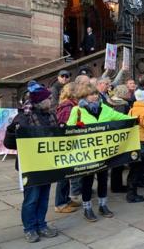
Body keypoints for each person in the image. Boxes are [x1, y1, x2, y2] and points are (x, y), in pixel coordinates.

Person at [67, 84, 133, 222]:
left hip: (104, 153)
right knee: (88, 181)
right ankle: (87, 208)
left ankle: (103, 205)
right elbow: (69, 130)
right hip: (87, 154)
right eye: (91, 94)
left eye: (96, 94)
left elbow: (121, 117)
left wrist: (136, 118)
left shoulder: (105, 109)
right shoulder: (77, 110)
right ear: (84, 96)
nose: (95, 96)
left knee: (103, 179)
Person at [11, 84, 59, 242]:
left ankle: (41, 224)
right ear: (40, 101)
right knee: (32, 198)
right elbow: (10, 142)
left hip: (47, 163)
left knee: (44, 197)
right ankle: (30, 228)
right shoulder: (24, 116)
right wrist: (15, 129)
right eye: (48, 98)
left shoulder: (51, 115)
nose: (51, 100)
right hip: (30, 165)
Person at [54, 83, 80, 214]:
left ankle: (66, 199)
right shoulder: (67, 106)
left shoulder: (71, 104)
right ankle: (60, 204)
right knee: (63, 175)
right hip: (66, 144)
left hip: (71, 143)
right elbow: (64, 126)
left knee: (68, 173)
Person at [109, 85, 131, 193]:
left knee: (115, 163)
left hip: (112, 135)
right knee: (119, 163)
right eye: (127, 92)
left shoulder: (111, 102)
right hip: (121, 135)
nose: (129, 94)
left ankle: (115, 185)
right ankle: (117, 186)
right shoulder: (123, 104)